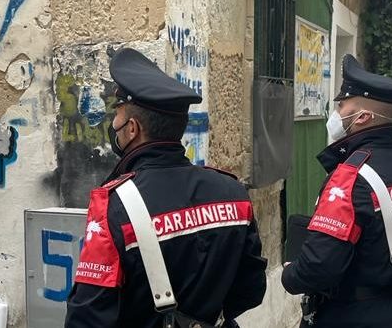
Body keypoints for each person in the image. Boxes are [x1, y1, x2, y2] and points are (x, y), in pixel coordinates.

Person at [65, 48, 267, 328]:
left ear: (132, 128)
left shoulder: (114, 207)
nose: (114, 124)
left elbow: (87, 318)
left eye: (117, 115)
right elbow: (251, 291)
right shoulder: (233, 193)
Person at [282, 54, 392, 328]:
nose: (336, 112)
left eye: (342, 105)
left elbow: (318, 267)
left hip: (348, 314)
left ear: (362, 117)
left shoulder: (350, 178)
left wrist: (290, 274)